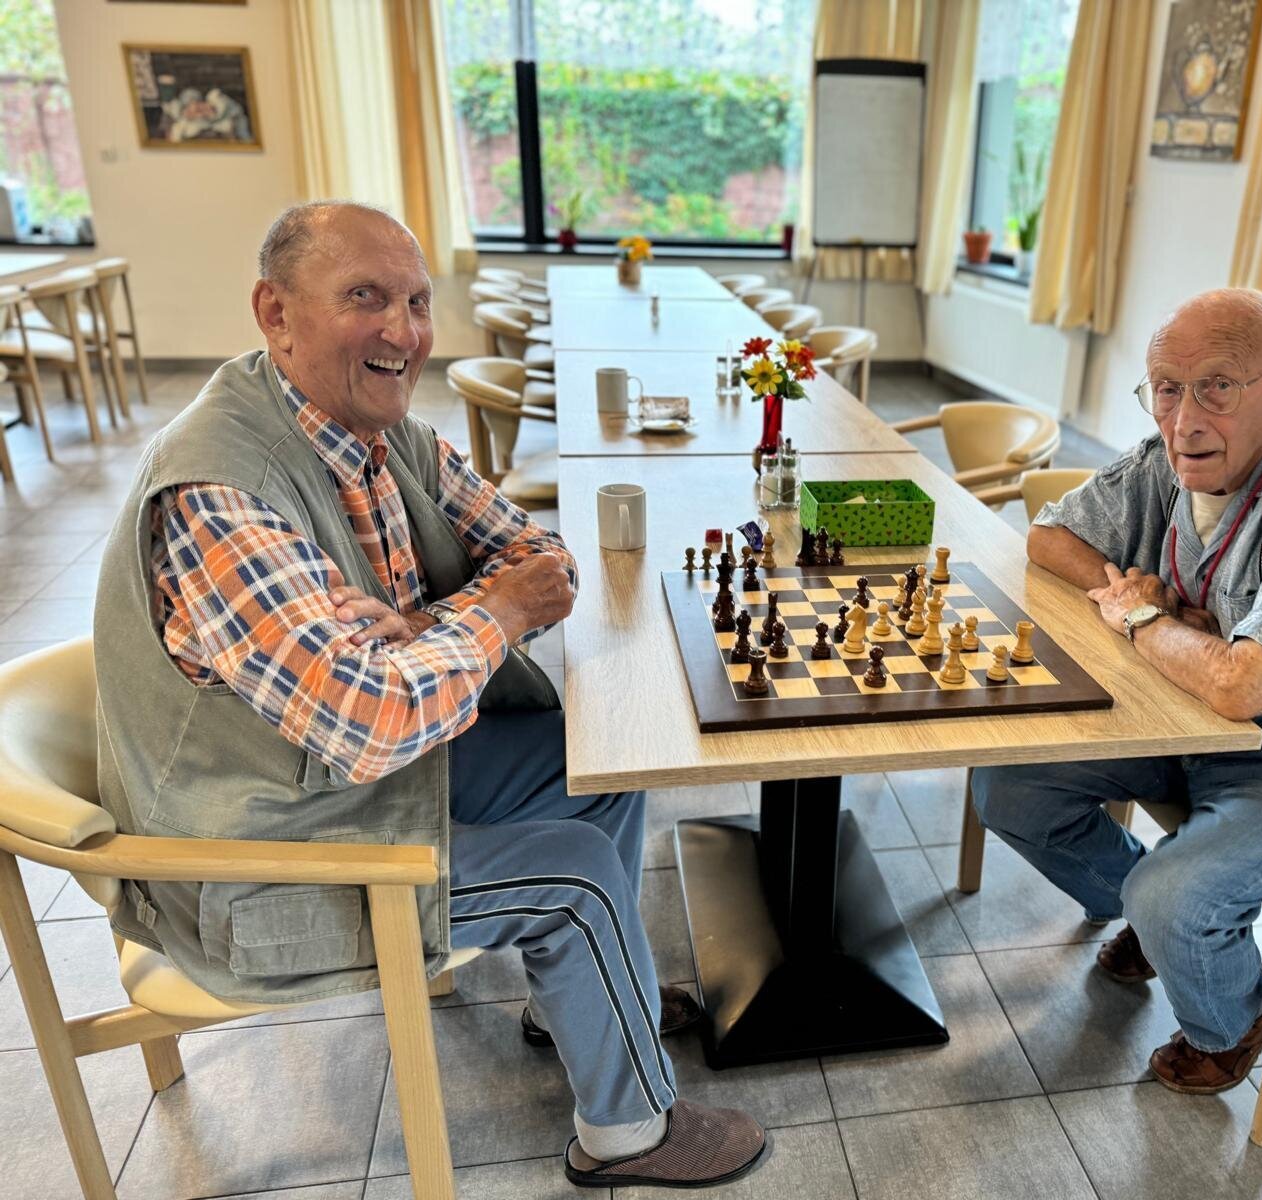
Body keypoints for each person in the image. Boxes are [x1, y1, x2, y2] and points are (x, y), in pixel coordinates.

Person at [93, 201, 765, 1189]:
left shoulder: (381, 432)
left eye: (415, 302)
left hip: (344, 785)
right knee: (576, 876)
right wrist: (490, 613)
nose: (403, 332)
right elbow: (374, 718)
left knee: (602, 758)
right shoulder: (221, 492)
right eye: (365, 297)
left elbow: (542, 558)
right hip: (257, 861)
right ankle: (627, 1135)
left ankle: (576, 1002)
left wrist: (428, 625)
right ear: (275, 313)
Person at [971, 288, 1262, 1094]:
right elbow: (1048, 536)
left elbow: (1243, 687)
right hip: (1194, 720)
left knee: (1173, 897)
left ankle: (1238, 1010)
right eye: (1166, 388)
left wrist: (1141, 619)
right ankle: (1169, 927)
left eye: (1218, 385)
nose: (1184, 419)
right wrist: (1132, 593)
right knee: (1008, 785)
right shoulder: (1174, 455)